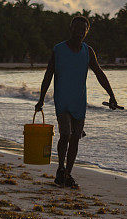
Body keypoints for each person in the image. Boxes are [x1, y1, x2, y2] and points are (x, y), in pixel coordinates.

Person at [35, 15, 119, 188]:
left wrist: (111, 94)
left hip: (80, 101)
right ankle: (60, 168)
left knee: (75, 139)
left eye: (83, 30)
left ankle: (67, 174)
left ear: (87, 32)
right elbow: (48, 75)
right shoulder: (58, 50)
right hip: (62, 100)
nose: (80, 32)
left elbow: (99, 73)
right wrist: (41, 99)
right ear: (70, 29)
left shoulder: (88, 51)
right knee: (65, 134)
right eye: (77, 28)